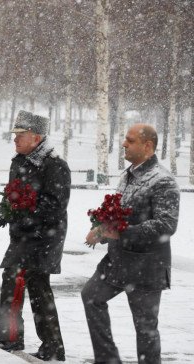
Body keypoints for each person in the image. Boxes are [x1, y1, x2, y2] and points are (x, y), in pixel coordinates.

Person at [81, 124, 180, 364]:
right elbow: (120, 215)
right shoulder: (128, 174)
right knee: (91, 296)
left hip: (146, 266)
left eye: (130, 140)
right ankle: (107, 359)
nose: (124, 144)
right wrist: (102, 230)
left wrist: (119, 234)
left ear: (147, 146)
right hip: (117, 261)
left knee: (145, 328)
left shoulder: (162, 180)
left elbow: (166, 225)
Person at [0, 110, 70, 362]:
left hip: (43, 237)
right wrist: (5, 209)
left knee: (17, 279)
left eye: (20, 135)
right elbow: (13, 193)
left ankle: (12, 337)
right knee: (36, 287)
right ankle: (51, 345)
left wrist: (25, 212)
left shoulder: (54, 164)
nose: (14, 139)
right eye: (15, 134)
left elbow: (56, 204)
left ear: (37, 137)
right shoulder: (20, 160)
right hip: (23, 235)